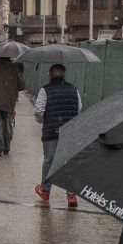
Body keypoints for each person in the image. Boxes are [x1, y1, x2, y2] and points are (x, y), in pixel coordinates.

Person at [33, 62, 80, 208]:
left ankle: (45, 191)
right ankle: (71, 195)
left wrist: (43, 121)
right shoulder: (73, 89)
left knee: (49, 161)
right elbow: (79, 108)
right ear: (64, 74)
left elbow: (39, 111)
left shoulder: (45, 90)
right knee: (69, 162)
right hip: (69, 131)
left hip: (51, 131)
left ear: (51, 75)